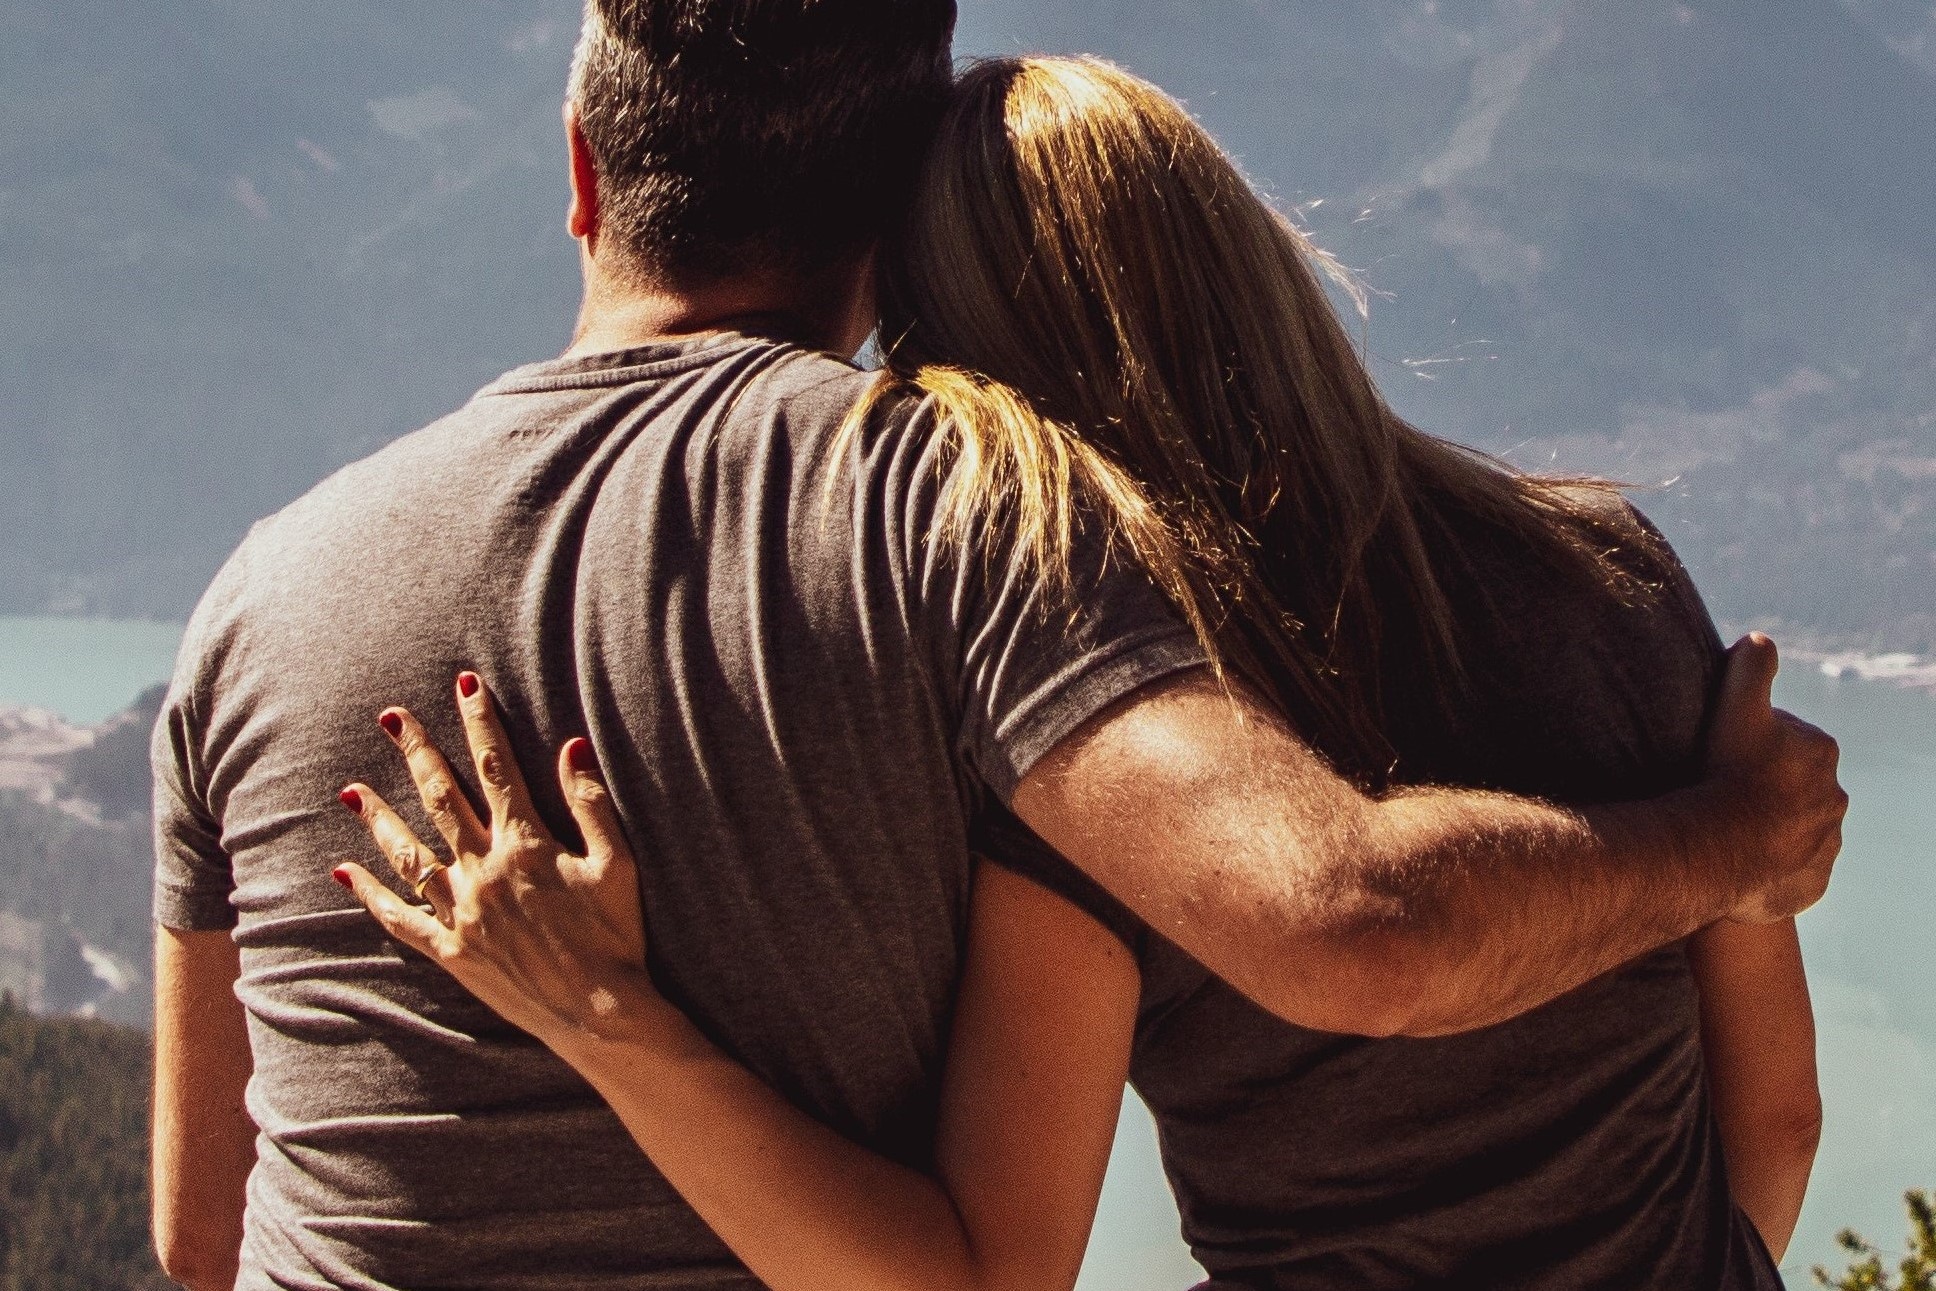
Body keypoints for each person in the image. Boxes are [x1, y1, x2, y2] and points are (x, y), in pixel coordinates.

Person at [151, 3, 1841, 1286]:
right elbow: (1743, 1119)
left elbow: (200, 1230)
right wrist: (1728, 847)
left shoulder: (252, 596)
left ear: (584, 178)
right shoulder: (981, 535)